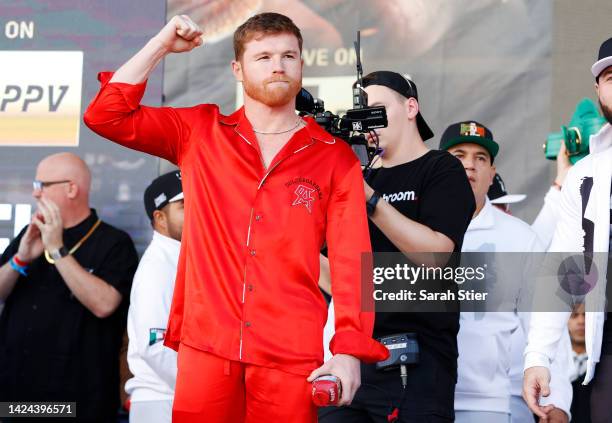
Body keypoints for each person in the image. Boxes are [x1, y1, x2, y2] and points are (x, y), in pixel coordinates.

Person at [83, 12, 387, 423]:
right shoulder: (201, 131)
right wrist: (160, 45)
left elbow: (352, 262)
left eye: (288, 55)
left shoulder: (332, 156)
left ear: (301, 64)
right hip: (206, 345)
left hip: (290, 354)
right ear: (237, 69)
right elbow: (106, 115)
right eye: (262, 57)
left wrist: (348, 351)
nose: (277, 65)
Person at [319, 71, 475, 422]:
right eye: (362, 114)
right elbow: (338, 282)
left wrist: (370, 199)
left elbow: (435, 256)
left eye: (378, 108)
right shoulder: (359, 177)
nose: (369, 122)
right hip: (353, 361)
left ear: (410, 107)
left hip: (416, 364)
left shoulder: (441, 168)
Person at [441, 122, 572, 423]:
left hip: (489, 404)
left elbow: (546, 320)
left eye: (481, 158)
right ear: (437, 167)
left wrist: (558, 400)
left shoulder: (520, 238)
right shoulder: (408, 228)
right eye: (458, 155)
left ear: (492, 174)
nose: (469, 165)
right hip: (412, 396)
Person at [0, 152, 139, 422]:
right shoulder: (30, 234)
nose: (35, 193)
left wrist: (57, 249)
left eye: (42, 185)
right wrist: (20, 260)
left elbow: (104, 305)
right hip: (16, 391)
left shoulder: (113, 242)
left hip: (77, 399)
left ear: (71, 188)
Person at [523, 36, 612, 423]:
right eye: (610, 77)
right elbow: (565, 270)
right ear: (598, 90)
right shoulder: (587, 174)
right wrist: (538, 356)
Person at [125, 170, 184, 423]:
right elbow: (155, 345)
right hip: (161, 402)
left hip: (173, 398)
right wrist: (204, 388)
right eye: (184, 205)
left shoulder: (182, 257)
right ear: (160, 218)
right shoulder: (157, 266)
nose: (199, 210)